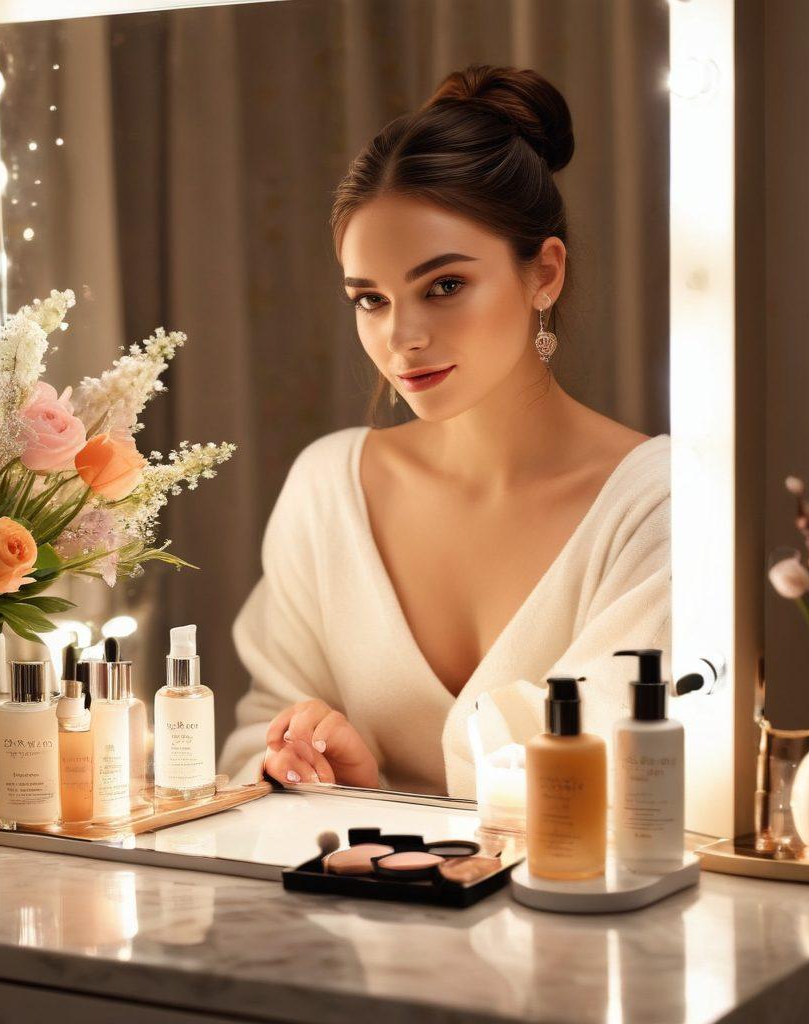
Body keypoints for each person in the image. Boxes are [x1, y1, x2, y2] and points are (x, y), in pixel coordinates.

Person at [217, 64, 670, 797]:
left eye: (445, 286)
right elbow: (259, 739)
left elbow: (624, 780)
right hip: (350, 911)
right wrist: (323, 770)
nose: (403, 338)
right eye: (369, 299)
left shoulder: (655, 506)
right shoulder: (329, 491)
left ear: (544, 273)